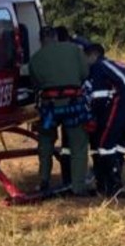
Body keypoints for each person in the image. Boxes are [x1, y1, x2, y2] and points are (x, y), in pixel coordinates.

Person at [29, 25, 91, 196]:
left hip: (50, 107)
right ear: (56, 37)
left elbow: (36, 84)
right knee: (78, 145)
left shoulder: (35, 58)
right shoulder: (74, 50)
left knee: (45, 142)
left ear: (41, 40)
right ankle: (78, 186)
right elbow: (85, 73)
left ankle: (43, 180)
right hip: (73, 104)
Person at [83, 43, 125, 197]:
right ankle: (109, 178)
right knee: (121, 141)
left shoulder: (98, 67)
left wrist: (93, 117)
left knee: (105, 141)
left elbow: (99, 97)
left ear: (92, 55)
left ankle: (112, 185)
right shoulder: (116, 64)